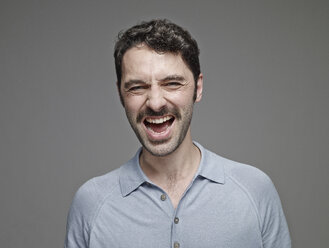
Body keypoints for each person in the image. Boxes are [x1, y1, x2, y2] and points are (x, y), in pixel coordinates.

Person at [65, 19, 291, 248]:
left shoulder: (255, 190)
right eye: (137, 87)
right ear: (121, 94)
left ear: (198, 88)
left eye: (172, 83)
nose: (154, 102)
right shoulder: (91, 204)